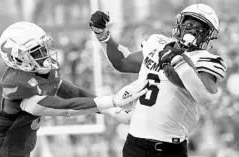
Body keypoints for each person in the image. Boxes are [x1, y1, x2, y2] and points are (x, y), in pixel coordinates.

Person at [0, 21, 148, 157]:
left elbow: (71, 92)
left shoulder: (39, 72)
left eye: (44, 47)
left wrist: (113, 110)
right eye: (36, 51)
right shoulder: (18, 85)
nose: (45, 54)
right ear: (18, 59)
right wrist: (112, 100)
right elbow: (63, 108)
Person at [90, 3, 227, 157]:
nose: (193, 30)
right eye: (189, 24)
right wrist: (103, 36)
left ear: (208, 36)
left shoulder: (206, 59)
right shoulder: (157, 43)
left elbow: (204, 95)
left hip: (168, 149)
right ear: (180, 25)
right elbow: (123, 62)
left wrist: (179, 60)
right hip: (134, 144)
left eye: (201, 29)